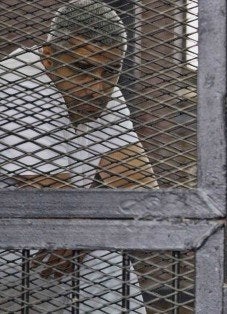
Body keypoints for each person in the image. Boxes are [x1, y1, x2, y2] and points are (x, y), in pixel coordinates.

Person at [0, 0, 156, 312]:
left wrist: (89, 218)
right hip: (16, 264)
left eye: (110, 71)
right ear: (48, 57)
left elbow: (145, 193)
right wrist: (103, 198)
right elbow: (51, 213)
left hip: (63, 273)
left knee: (108, 255)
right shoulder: (21, 79)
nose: (98, 87)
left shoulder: (102, 95)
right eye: (82, 68)